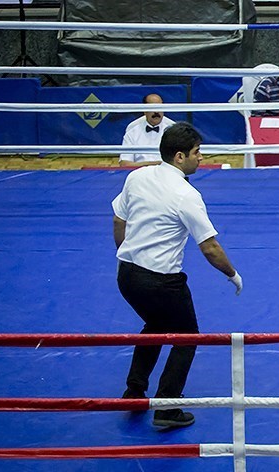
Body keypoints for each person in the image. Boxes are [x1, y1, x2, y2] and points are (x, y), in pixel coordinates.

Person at [112, 123, 243, 430]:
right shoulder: (186, 195)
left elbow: (119, 219)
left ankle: (134, 391)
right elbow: (210, 247)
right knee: (188, 337)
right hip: (161, 282)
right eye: (197, 152)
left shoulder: (137, 176)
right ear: (180, 156)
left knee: (155, 325)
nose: (202, 158)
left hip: (127, 276)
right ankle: (168, 406)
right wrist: (233, 274)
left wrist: (128, 251)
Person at [119, 93, 175, 167]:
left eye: (160, 107)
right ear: (144, 110)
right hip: (139, 173)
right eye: (152, 107)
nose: (156, 112)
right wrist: (154, 164)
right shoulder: (132, 131)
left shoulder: (173, 130)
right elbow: (124, 164)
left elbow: (180, 163)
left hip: (166, 173)